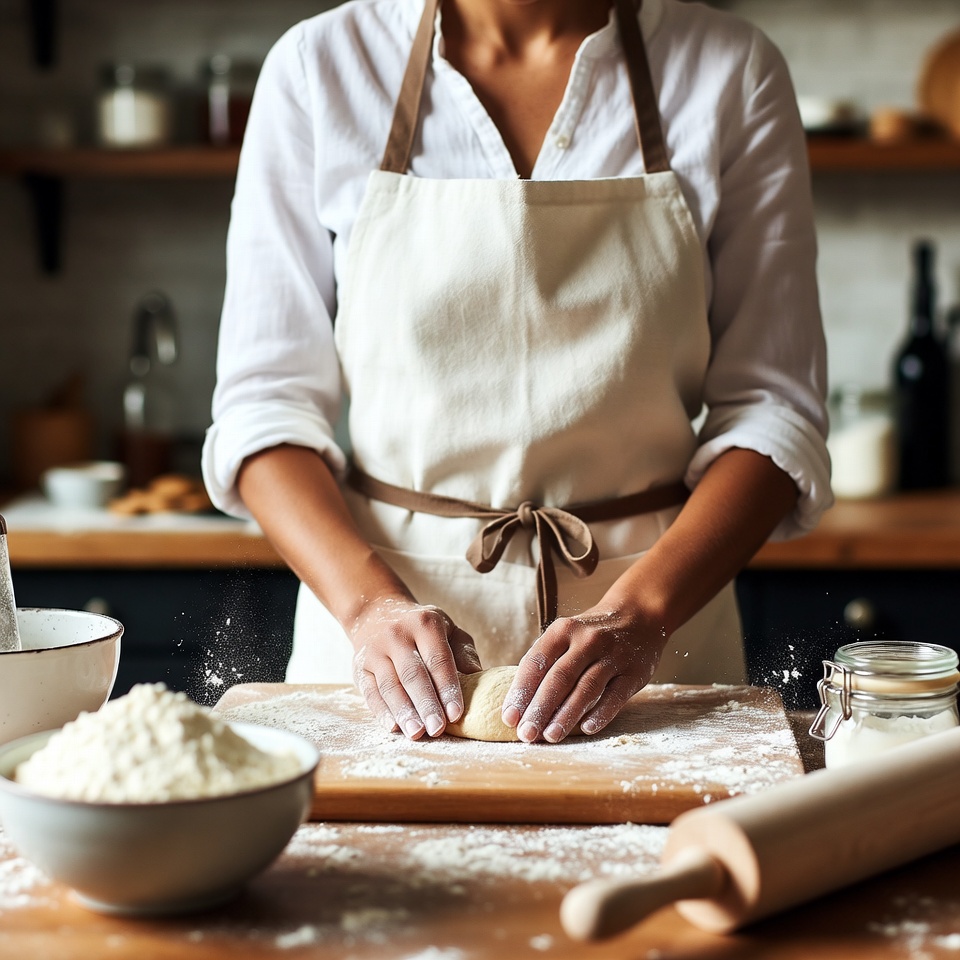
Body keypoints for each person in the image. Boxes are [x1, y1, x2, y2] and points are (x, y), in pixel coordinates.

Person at [202, 0, 832, 745]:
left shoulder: (727, 69)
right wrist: (369, 608)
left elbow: (774, 409)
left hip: (660, 640)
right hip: (378, 653)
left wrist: (641, 615)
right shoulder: (321, 69)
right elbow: (263, 410)